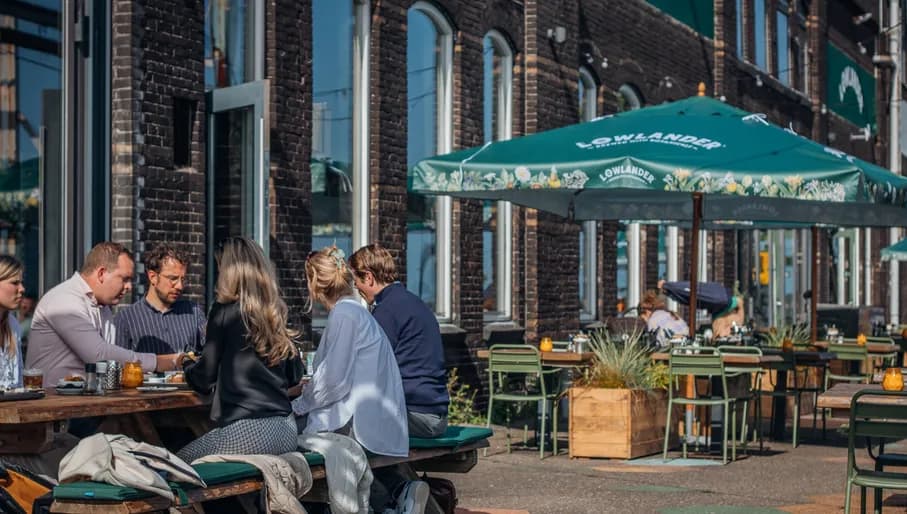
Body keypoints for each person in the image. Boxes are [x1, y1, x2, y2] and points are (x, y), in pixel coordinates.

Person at [177, 237, 302, 462]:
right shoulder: (275, 312)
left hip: (247, 431)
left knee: (175, 466)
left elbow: (204, 379)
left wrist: (186, 364)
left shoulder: (224, 311)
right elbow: (295, 376)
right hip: (286, 429)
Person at [292, 246, 408, 457]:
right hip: (374, 417)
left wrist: (298, 405)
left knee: (281, 433)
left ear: (314, 284)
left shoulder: (345, 314)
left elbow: (334, 380)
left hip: (358, 423)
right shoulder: (354, 311)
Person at [26, 242, 181, 387]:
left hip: (83, 402)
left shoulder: (102, 306)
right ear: (101, 273)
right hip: (51, 405)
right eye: (125, 279)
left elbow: (106, 364)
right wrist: (160, 362)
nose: (129, 287)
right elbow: (98, 354)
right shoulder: (64, 299)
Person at [349, 243, 449, 439]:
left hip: (415, 415)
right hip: (434, 413)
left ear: (368, 277)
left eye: (356, 281)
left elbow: (369, 368)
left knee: (342, 428)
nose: (356, 287)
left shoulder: (387, 311)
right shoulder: (413, 301)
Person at [0, 256, 77, 478]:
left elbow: (15, 386)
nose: (22, 289)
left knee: (78, 447)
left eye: (21, 282)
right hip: (8, 438)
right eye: (14, 283)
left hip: (15, 428)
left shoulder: (12, 326)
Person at [115, 244, 206, 354]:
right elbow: (118, 365)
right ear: (153, 277)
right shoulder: (126, 319)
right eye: (173, 279)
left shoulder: (194, 313)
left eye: (183, 279)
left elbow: (209, 356)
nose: (180, 286)